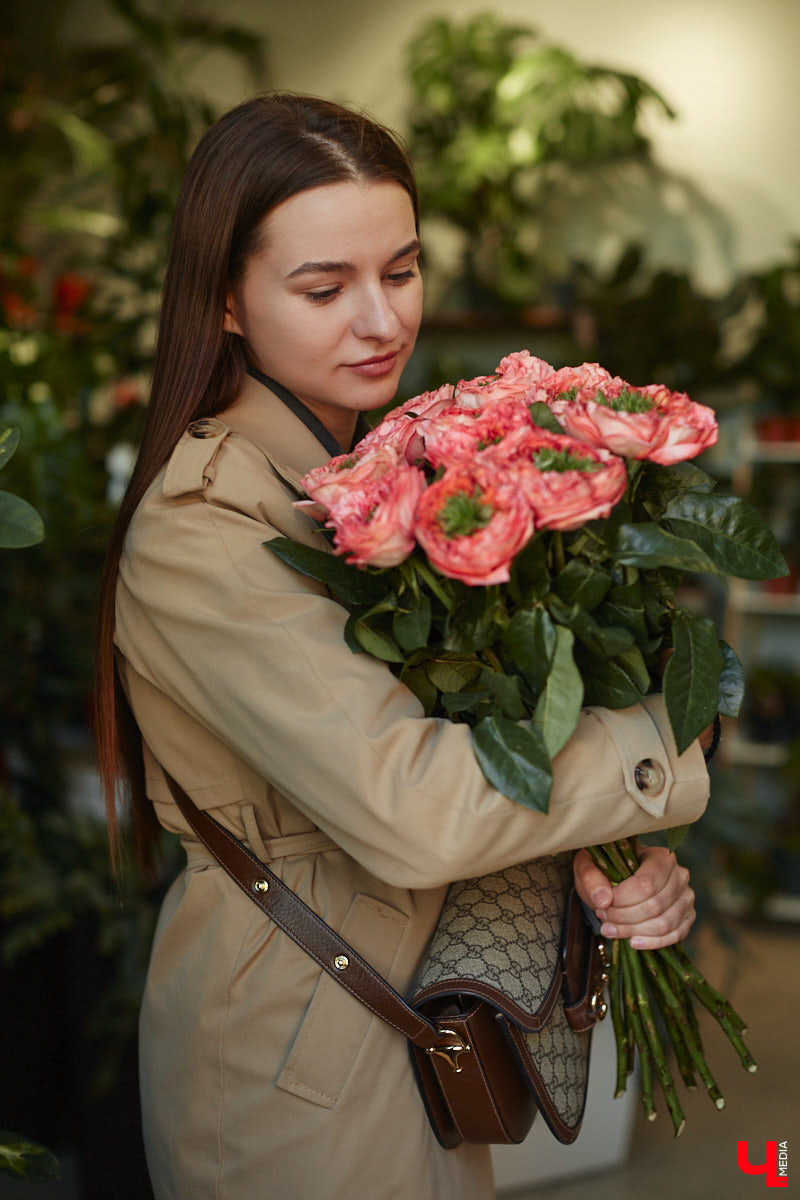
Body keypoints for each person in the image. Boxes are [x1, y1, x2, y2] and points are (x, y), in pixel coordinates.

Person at [94, 93, 712, 1200]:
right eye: (325, 288)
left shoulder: (391, 469)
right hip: (296, 1066)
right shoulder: (203, 525)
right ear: (226, 299)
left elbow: (491, 753)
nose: (381, 322)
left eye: (402, 269)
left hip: (418, 1025)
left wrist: (612, 873)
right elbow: (416, 805)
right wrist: (654, 746)